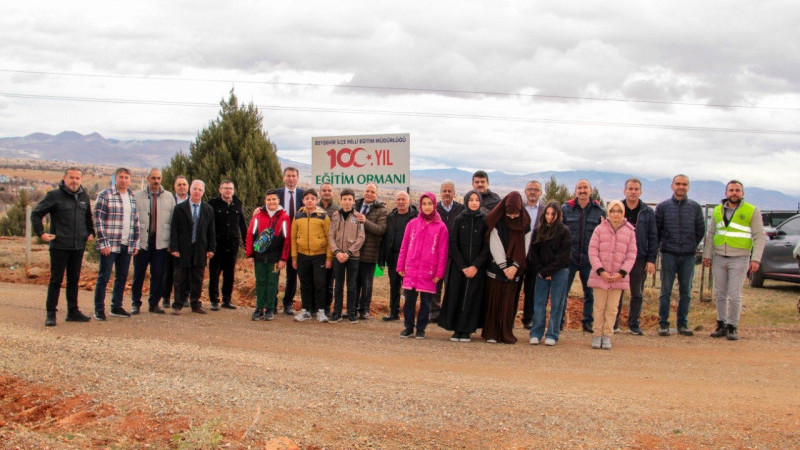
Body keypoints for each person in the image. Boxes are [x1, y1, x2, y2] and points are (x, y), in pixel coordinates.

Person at [31, 167, 95, 326]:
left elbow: (87, 217)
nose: (74, 181)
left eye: (77, 178)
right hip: (59, 245)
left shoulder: (84, 196)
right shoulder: (54, 196)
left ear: (81, 180)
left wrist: (90, 232)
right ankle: (51, 314)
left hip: (78, 245)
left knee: (74, 280)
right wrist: (41, 233)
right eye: (71, 178)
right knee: (56, 280)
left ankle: (73, 311)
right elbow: (36, 214)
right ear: (64, 178)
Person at [702, 180, 765, 340]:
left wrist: (755, 258)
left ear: (742, 193)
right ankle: (721, 324)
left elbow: (759, 236)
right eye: (731, 190)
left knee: (734, 294)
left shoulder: (751, 210)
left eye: (737, 190)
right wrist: (707, 255)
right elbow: (711, 234)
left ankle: (732, 326)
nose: (734, 193)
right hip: (719, 257)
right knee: (720, 293)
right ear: (726, 193)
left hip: (740, 257)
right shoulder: (717, 210)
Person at [655, 174, 705, 336]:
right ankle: (663, 323)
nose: (681, 187)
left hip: (688, 256)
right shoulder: (662, 207)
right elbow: (657, 231)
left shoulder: (695, 207)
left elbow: (700, 231)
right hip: (668, 254)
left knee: (686, 291)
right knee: (665, 291)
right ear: (672, 186)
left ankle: (682, 323)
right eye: (678, 184)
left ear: (688, 187)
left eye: (684, 184)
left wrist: (691, 244)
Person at [396, 192, 449, 339]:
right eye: (424, 204)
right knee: (409, 301)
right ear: (420, 205)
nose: (427, 207)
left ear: (434, 205)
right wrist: (400, 266)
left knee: (426, 303)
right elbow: (404, 246)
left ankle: (421, 328)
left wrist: (439, 273)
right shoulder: (412, 224)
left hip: (429, 271)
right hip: (411, 269)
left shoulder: (441, 227)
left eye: (430, 204)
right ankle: (408, 327)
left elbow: (442, 252)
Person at [438, 191, 489, 342]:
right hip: (459, 268)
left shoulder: (485, 220)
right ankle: (456, 329)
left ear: (480, 202)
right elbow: (453, 244)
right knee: (456, 296)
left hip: (476, 269)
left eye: (476, 200)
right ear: (466, 201)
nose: (474, 202)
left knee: (472, 298)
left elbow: (487, 246)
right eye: (471, 200)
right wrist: (463, 266)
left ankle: (467, 329)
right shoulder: (459, 219)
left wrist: (475, 266)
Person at [482, 192, 531, 344]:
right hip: (497, 266)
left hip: (515, 268)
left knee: (509, 302)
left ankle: (505, 332)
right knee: (494, 300)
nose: (511, 217)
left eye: (514, 214)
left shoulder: (524, 221)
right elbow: (494, 242)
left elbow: (526, 244)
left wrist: (515, 266)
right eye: (509, 214)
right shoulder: (497, 219)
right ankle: (491, 333)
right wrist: (504, 266)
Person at [587, 200, 638, 350]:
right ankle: (597, 334)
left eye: (619, 211)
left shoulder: (630, 231)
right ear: (608, 213)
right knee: (599, 307)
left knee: (612, 308)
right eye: (613, 211)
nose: (616, 214)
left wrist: (622, 272)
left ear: (623, 213)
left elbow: (632, 254)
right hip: (600, 276)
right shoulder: (599, 229)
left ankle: (607, 335)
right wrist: (600, 270)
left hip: (618, 277)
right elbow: (592, 251)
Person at [93, 167, 140, 320]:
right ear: (115, 178)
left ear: (130, 179)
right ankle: (99, 309)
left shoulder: (132, 197)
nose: (124, 180)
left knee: (122, 276)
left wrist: (135, 243)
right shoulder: (105, 195)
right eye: (121, 177)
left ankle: (116, 306)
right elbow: (98, 219)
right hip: (110, 244)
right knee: (104, 277)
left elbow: (135, 222)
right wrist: (103, 242)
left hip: (126, 244)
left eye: (127, 177)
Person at [613, 178, 657, 335]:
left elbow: (653, 236)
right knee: (617, 290)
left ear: (641, 192)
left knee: (637, 292)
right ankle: (613, 323)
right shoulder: (617, 209)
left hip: (639, 257)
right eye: (630, 189)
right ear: (624, 191)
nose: (633, 191)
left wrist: (651, 259)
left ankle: (633, 324)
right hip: (618, 257)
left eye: (636, 189)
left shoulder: (647, 212)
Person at [561, 179, 606, 333]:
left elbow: (603, 236)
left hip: (589, 259)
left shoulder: (599, 211)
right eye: (579, 188)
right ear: (575, 191)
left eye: (585, 188)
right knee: (562, 292)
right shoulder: (566, 209)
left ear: (590, 190)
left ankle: (587, 322)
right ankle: (559, 321)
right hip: (569, 258)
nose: (582, 191)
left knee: (590, 293)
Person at [131, 168, 175, 315]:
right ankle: (135, 303)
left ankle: (154, 303)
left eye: (159, 178)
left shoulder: (169, 197)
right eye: (153, 178)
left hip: (160, 243)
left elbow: (173, 221)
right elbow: (132, 220)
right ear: (148, 178)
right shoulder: (137, 196)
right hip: (143, 242)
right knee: (139, 274)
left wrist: (171, 243)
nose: (156, 181)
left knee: (158, 274)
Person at [527, 201, 572, 346]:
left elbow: (563, 256)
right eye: (547, 213)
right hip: (541, 273)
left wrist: (550, 271)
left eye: (553, 214)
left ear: (558, 215)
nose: (550, 217)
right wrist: (542, 271)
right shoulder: (539, 230)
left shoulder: (564, 231)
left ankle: (552, 333)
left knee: (557, 304)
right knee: (539, 303)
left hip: (559, 272)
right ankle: (536, 332)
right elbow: (533, 253)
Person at [170, 180, 216, 314]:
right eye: (195, 189)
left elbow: (211, 231)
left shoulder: (208, 209)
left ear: (203, 192)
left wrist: (211, 248)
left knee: (197, 278)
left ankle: (195, 304)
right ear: (190, 190)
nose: (197, 192)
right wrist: (174, 247)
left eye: (200, 190)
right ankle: (178, 304)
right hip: (183, 248)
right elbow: (174, 229)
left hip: (200, 248)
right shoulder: (180, 208)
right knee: (180, 277)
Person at [246, 189, 291, 321]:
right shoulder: (258, 216)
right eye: (269, 199)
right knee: (260, 281)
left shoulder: (284, 217)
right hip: (259, 255)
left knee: (272, 283)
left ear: (278, 201)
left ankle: (270, 308)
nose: (271, 202)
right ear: (265, 201)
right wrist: (249, 254)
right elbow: (250, 235)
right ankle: (259, 308)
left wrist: (283, 258)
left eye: (274, 199)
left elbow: (287, 239)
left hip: (275, 258)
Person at [291, 189, 333, 322]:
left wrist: (328, 258)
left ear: (316, 200)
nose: (310, 200)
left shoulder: (323, 216)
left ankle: (320, 311)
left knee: (320, 284)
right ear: (303, 201)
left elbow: (329, 238)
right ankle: (306, 310)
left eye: (312, 198)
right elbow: (293, 238)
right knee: (305, 284)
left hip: (319, 256)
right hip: (302, 255)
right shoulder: (297, 216)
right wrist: (294, 257)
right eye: (307, 198)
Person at [208, 180, 247, 311]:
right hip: (217, 244)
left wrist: (248, 243)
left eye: (230, 188)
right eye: (225, 188)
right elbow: (209, 226)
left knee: (229, 274)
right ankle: (214, 300)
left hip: (232, 244)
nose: (228, 191)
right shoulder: (213, 204)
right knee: (214, 273)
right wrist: (209, 245)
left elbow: (242, 224)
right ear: (220, 190)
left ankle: (227, 300)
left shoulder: (237, 203)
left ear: (233, 190)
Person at [379, 191, 418, 321]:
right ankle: (394, 313)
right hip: (393, 257)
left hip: (410, 258)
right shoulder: (390, 217)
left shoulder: (416, 217)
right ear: (395, 201)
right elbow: (385, 239)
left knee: (408, 288)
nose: (401, 202)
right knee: (394, 285)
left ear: (409, 201)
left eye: (403, 199)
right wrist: (382, 259)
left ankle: (408, 314)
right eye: (398, 199)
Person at [328, 188, 365, 323]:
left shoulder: (358, 217)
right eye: (345, 199)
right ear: (341, 200)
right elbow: (331, 236)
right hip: (338, 256)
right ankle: (336, 312)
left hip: (352, 256)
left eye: (350, 199)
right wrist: (337, 252)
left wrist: (348, 252)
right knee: (338, 285)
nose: (347, 202)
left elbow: (361, 238)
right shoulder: (336, 216)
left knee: (352, 285)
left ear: (353, 201)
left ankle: (351, 313)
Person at [430, 180, 465, 323]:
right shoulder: (434, 209)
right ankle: (434, 312)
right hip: (435, 254)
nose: (447, 193)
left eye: (450, 191)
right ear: (440, 193)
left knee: (451, 286)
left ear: (454, 193)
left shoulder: (461, 209)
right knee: (434, 285)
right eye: (444, 191)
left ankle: (448, 315)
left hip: (453, 255)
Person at [354, 183, 388, 319]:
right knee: (353, 282)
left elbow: (381, 229)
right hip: (354, 251)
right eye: (367, 191)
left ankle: (365, 309)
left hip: (370, 252)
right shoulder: (355, 205)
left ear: (376, 195)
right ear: (363, 192)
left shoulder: (381, 210)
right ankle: (353, 307)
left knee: (367, 283)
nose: (369, 194)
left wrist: (365, 222)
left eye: (372, 192)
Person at [277, 167, 304, 315]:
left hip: (296, 241)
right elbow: (267, 207)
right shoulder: (277, 194)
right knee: (275, 272)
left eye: (294, 176)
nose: (291, 178)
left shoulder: (303, 194)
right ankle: (272, 303)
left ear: (297, 178)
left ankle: (288, 303)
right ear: (284, 178)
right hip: (279, 240)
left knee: (292, 274)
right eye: (288, 176)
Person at [520, 180, 546, 330]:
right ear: (525, 191)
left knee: (531, 289)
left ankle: (528, 318)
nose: (533, 192)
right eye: (530, 189)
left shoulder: (544, 210)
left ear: (540, 192)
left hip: (535, 257)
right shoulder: (519, 208)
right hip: (519, 255)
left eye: (536, 190)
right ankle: (509, 317)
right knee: (514, 288)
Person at [161, 175, 189, 309]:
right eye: (179, 185)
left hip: (187, 244)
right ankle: (166, 298)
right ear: (174, 187)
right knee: (168, 271)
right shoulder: (168, 200)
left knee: (185, 273)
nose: (182, 187)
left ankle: (184, 297)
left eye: (184, 184)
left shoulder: (193, 201)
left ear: (188, 187)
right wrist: (170, 244)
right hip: (171, 242)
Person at [318, 182, 338, 315]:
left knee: (329, 283)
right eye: (324, 190)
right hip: (317, 250)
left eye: (329, 190)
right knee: (317, 282)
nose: (326, 192)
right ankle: (315, 307)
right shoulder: (313, 207)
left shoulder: (337, 210)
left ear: (333, 193)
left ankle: (326, 308)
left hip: (331, 250)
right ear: (320, 192)